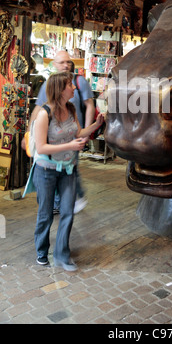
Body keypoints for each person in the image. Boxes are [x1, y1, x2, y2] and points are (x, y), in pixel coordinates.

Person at [32, 71, 103, 271]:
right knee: (45, 213)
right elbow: (42, 148)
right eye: (69, 85)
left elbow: (78, 132)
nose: (73, 88)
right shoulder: (44, 114)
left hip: (68, 170)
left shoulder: (71, 109)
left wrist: (95, 125)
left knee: (67, 212)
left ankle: (62, 255)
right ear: (60, 90)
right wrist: (70, 146)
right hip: (46, 171)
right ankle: (41, 251)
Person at [23, 50, 95, 213]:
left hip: (74, 133)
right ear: (54, 65)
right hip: (54, 135)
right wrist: (29, 132)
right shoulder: (50, 83)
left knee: (69, 167)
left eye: (68, 62)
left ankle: (67, 201)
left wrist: (88, 131)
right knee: (62, 168)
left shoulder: (79, 81)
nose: (66, 65)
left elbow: (90, 105)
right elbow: (39, 108)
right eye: (62, 62)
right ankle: (62, 202)